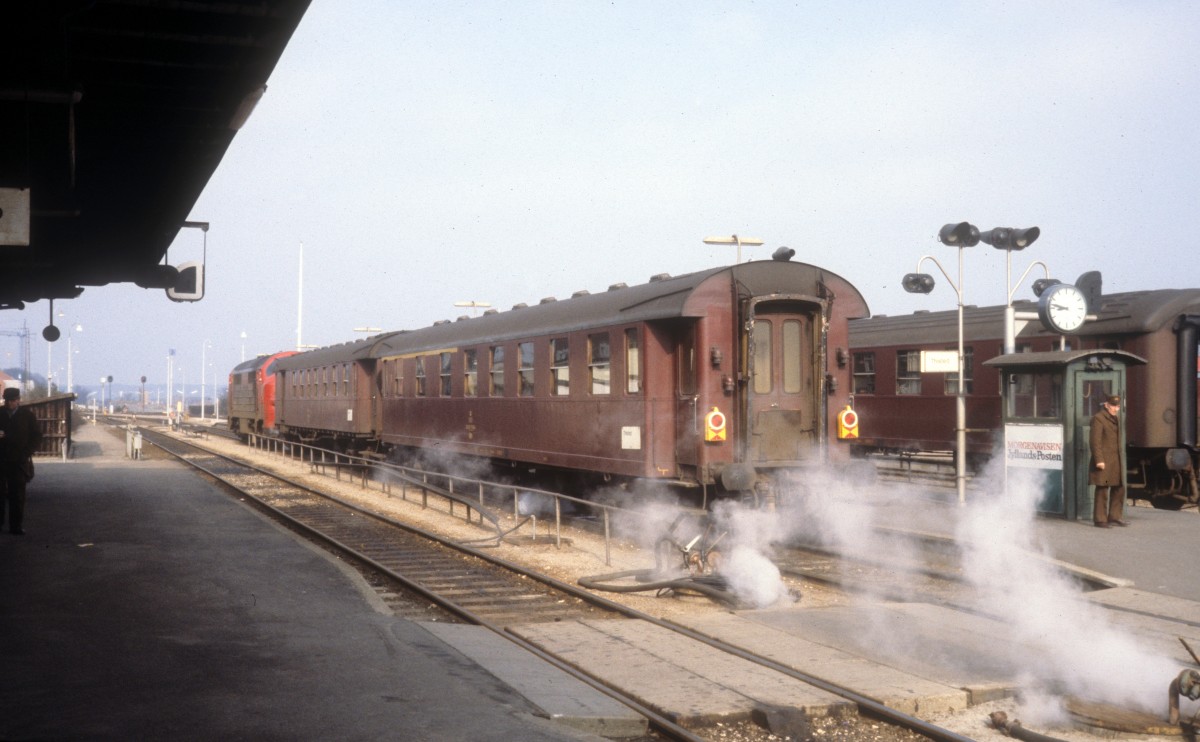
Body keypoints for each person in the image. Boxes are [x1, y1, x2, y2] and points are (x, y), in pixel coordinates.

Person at [0, 387, 43, 535]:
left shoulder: (27, 416)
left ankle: (16, 526)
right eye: (7, 401)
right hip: (1, 459)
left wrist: (26, 452)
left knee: (17, 494)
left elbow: (37, 436)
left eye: (12, 401)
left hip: (19, 460)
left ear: (18, 400)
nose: (9, 404)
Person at [1089, 394, 1126, 528]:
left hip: (1116, 461)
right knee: (1103, 488)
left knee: (1119, 487)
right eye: (1113, 406)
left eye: (1117, 406)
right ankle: (1100, 519)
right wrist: (1099, 460)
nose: (1115, 409)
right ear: (1106, 405)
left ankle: (1114, 516)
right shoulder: (1098, 419)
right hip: (1104, 461)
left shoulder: (1115, 418)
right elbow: (1095, 441)